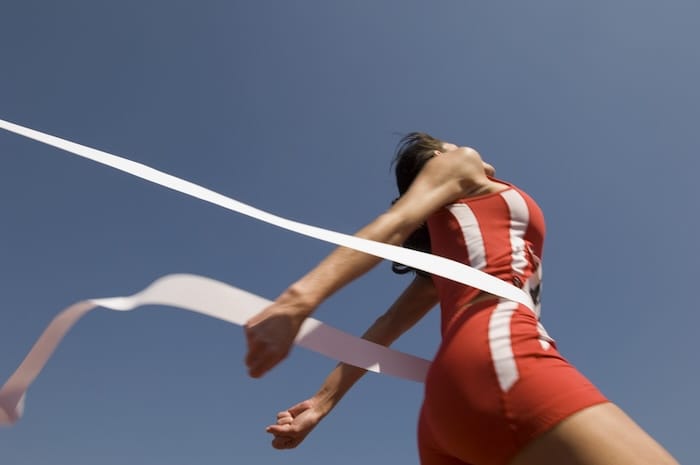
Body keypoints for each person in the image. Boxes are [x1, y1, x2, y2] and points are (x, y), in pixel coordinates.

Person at [244, 133, 679, 465]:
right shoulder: (461, 162)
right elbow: (395, 223)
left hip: (443, 412)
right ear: (437, 159)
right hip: (503, 360)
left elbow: (386, 326)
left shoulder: (449, 261)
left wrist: (320, 404)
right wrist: (297, 301)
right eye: (445, 144)